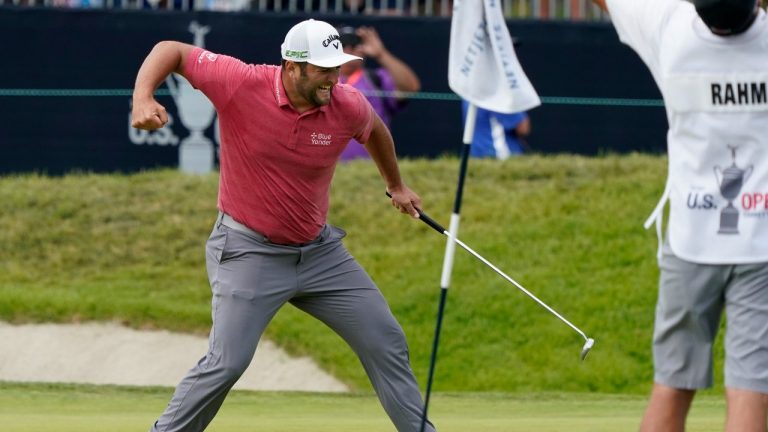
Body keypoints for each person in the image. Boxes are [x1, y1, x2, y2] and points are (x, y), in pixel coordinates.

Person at [130, 18, 437, 432]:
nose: (336, 76)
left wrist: (396, 185)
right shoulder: (241, 82)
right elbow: (172, 48)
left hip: (320, 254)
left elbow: (375, 131)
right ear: (292, 67)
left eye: (338, 66)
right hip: (247, 251)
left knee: (386, 338)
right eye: (324, 69)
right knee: (227, 363)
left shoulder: (347, 104)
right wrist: (142, 98)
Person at [590, 0, 768, 431]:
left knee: (671, 386)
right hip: (761, 242)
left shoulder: (669, 28)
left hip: (690, 238)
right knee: (751, 389)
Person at [336, 25, 421, 161]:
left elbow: (410, 87)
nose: (348, 50)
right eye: (342, 45)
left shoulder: (377, 79)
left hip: (372, 169)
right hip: (329, 170)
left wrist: (380, 54)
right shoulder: (322, 80)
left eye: (354, 45)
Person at [462, 100, 531, 159]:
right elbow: (523, 128)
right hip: (502, 157)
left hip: (474, 157)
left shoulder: (467, 95)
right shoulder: (498, 96)